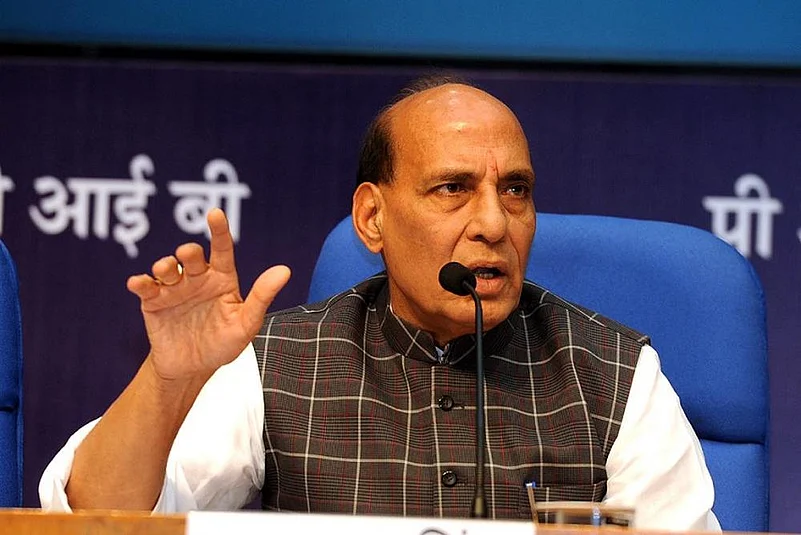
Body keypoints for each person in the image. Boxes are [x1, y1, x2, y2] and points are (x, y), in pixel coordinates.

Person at [40, 76, 720, 530]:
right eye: (453, 189)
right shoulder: (276, 366)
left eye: (515, 189)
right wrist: (169, 380)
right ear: (372, 218)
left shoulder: (614, 374)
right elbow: (96, 520)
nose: (494, 222)